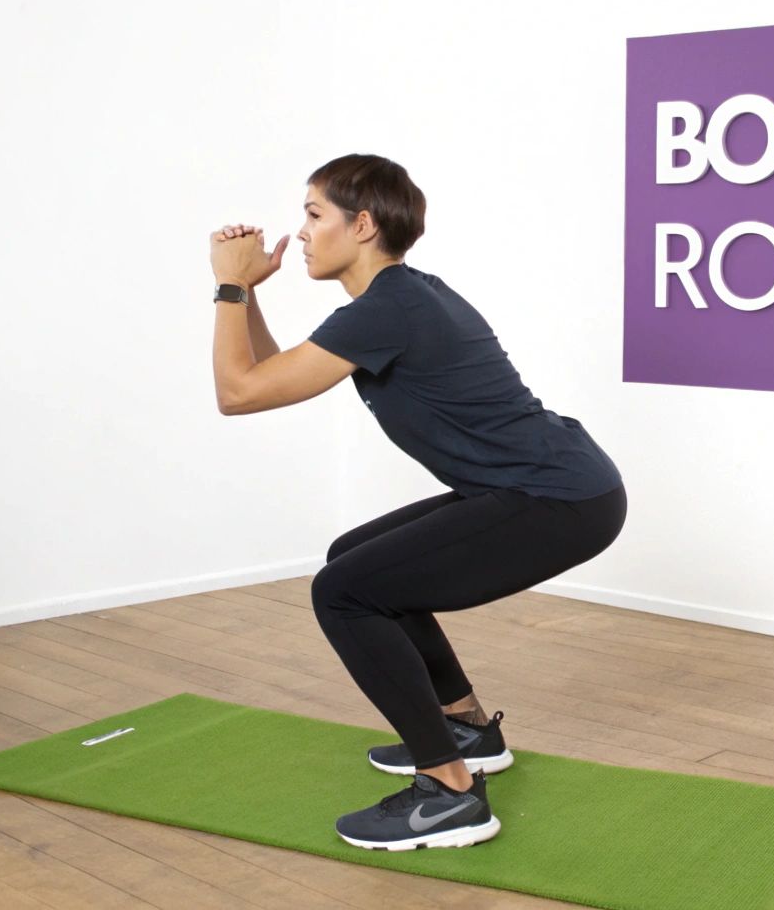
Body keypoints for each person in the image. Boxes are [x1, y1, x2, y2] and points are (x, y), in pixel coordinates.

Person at [207, 154, 626, 851]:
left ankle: (451, 791)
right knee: (357, 562)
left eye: (314, 215)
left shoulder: (389, 310)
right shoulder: (396, 300)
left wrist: (226, 286)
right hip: (553, 485)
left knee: (343, 591)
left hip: (556, 497)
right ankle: (465, 729)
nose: (302, 233)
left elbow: (237, 394)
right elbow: (266, 376)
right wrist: (247, 293)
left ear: (363, 224)